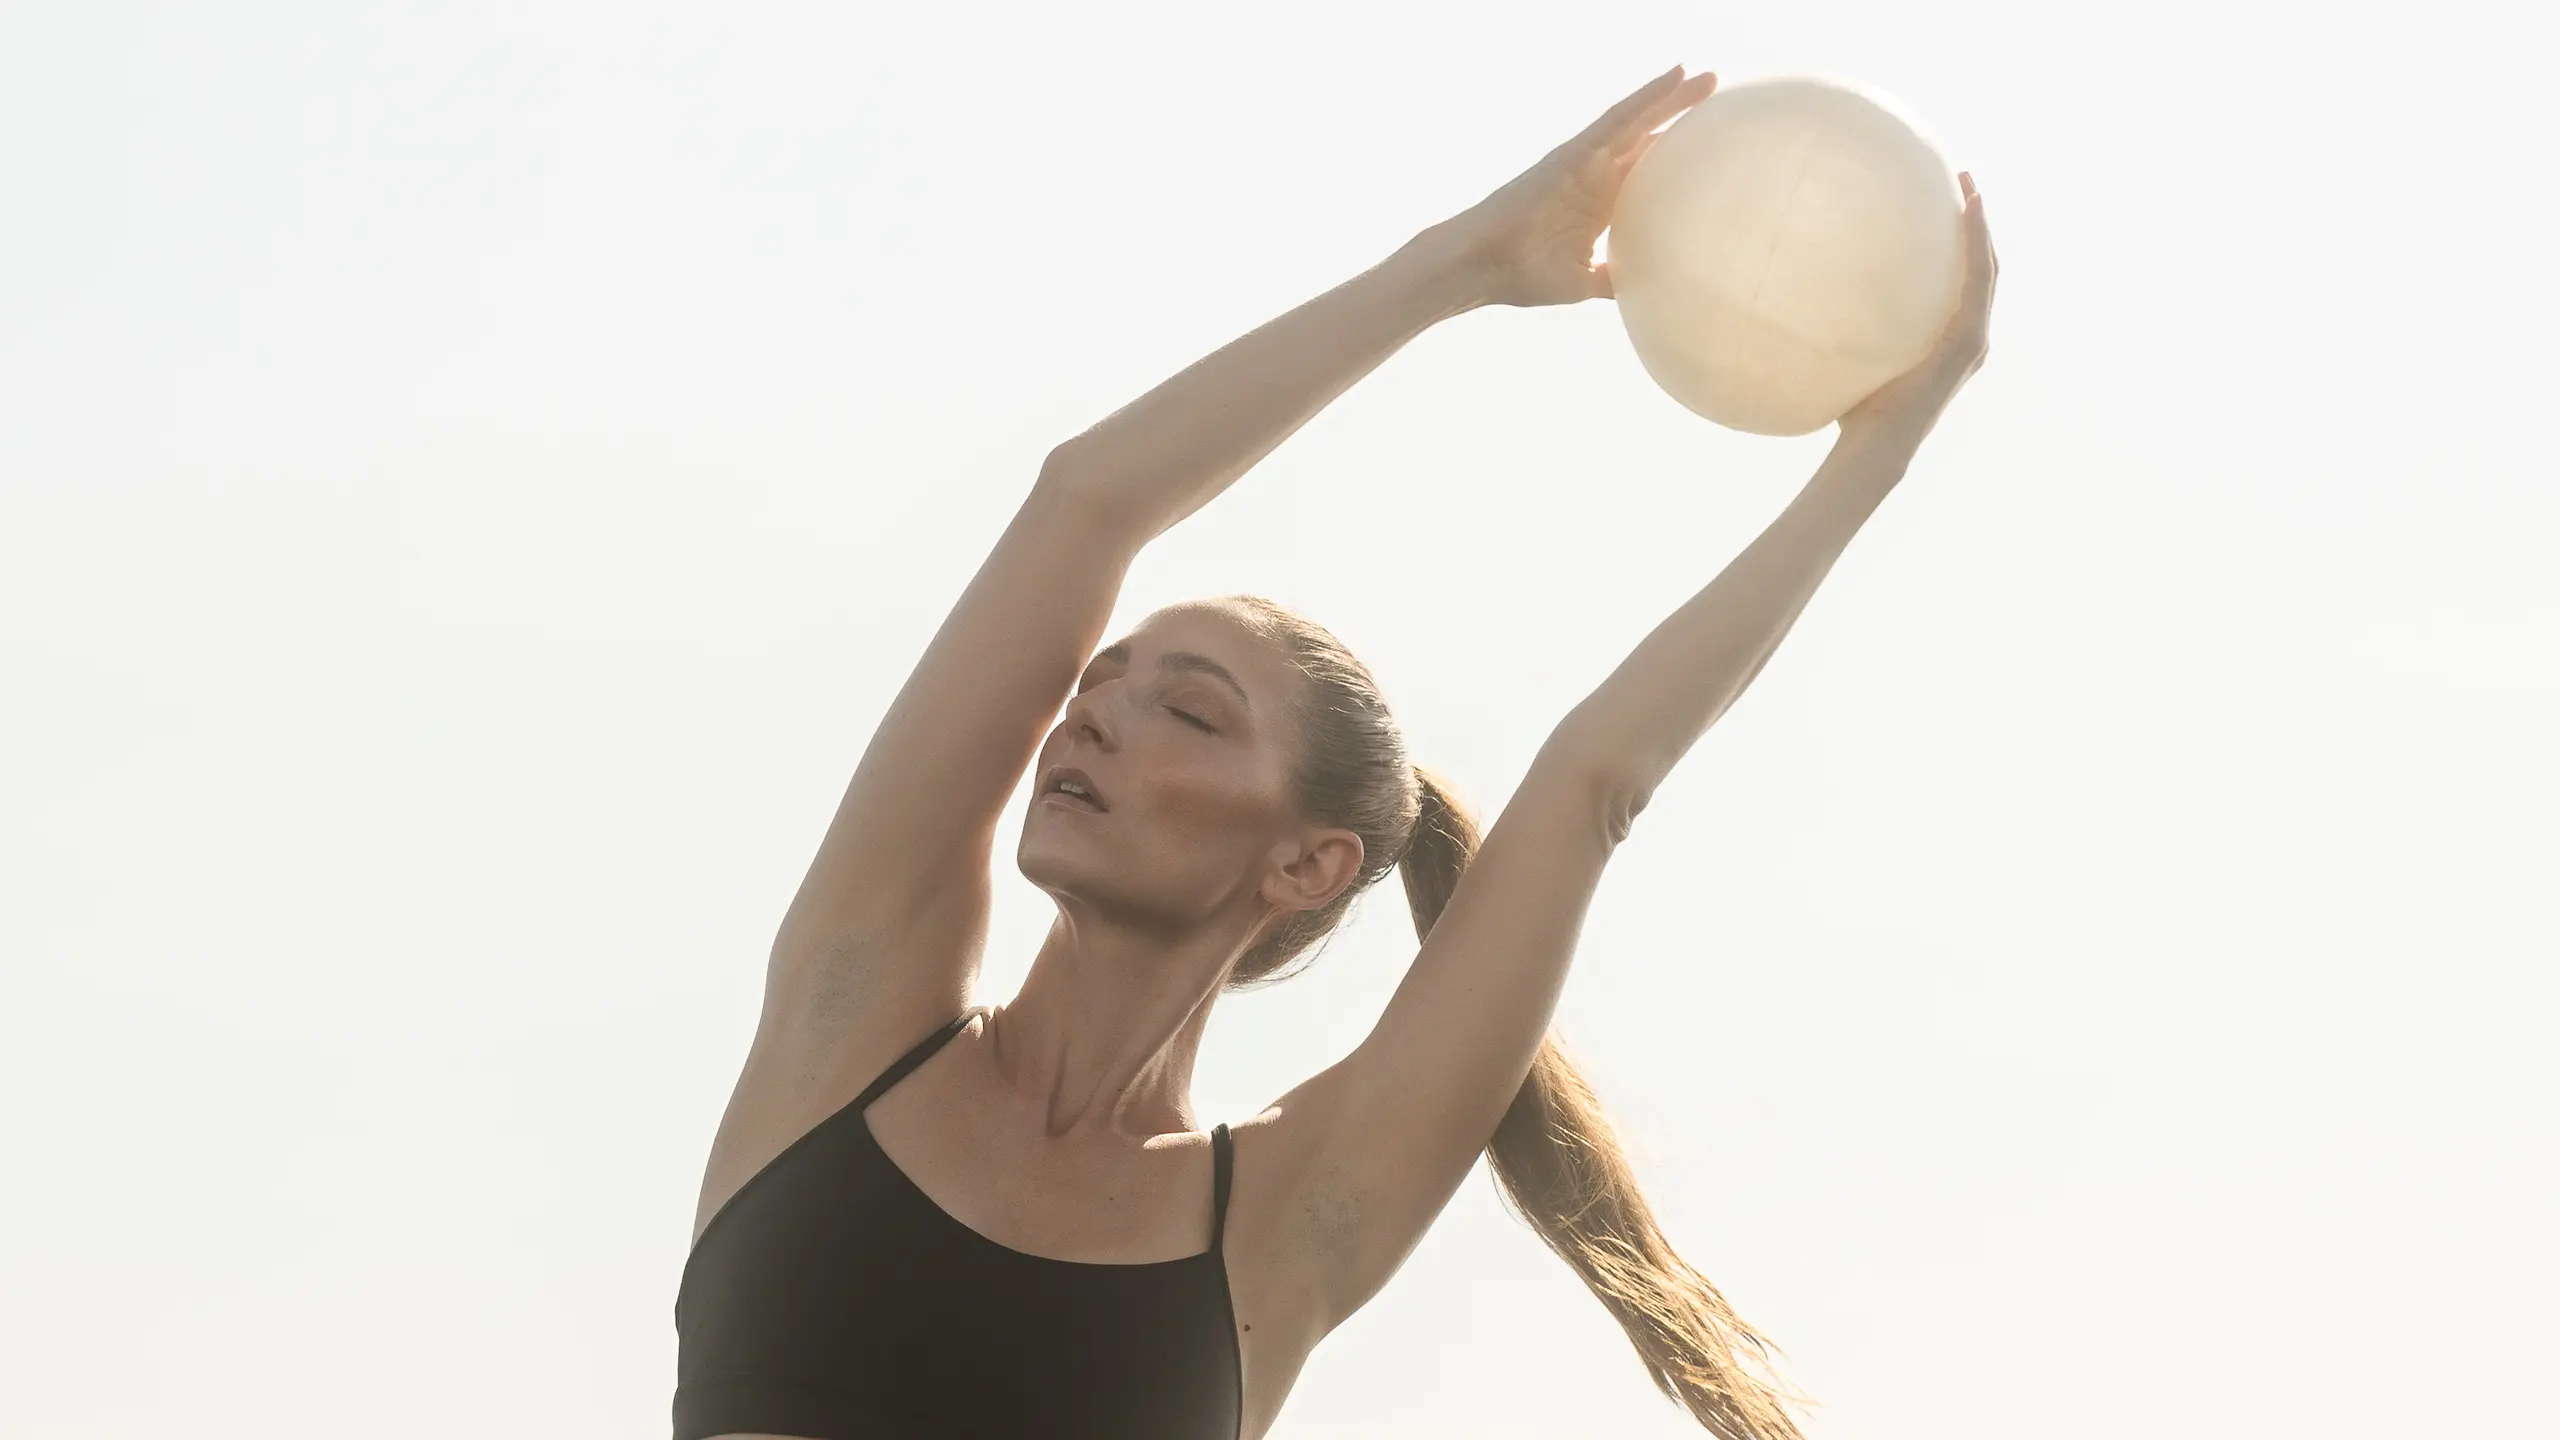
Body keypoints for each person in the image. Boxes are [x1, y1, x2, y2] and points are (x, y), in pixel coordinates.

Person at [671, 63, 1998, 1440]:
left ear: (1310, 863)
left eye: (1186, 710)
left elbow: (1595, 781)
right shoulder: (850, 1011)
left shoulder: (1291, 1225)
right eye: (1100, 678)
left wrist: (1874, 457)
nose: (1090, 712)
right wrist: (1461, 266)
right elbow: (1086, 503)